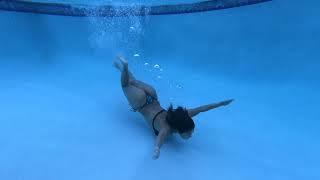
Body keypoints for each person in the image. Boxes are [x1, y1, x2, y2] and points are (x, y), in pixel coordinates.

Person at [113, 55, 233, 159]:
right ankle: (125, 67)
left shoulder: (183, 116)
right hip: (141, 103)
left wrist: (220, 104)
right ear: (180, 129)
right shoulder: (167, 129)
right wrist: (156, 150)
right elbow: (159, 140)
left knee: (132, 81)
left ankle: (123, 67)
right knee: (125, 85)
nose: (191, 135)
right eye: (189, 133)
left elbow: (201, 109)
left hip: (152, 95)